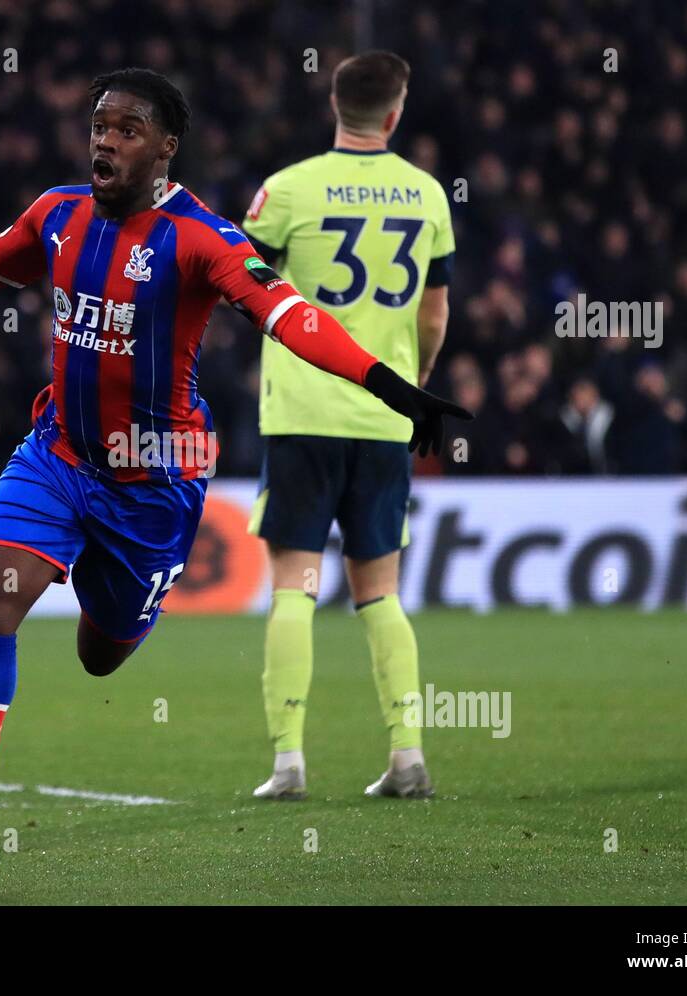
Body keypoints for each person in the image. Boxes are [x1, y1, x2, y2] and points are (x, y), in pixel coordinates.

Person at [0, 67, 469, 887]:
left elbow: (290, 315)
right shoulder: (57, 214)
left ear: (166, 147)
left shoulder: (202, 238)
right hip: (59, 455)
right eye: (99, 125)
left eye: (128, 129)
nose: (106, 140)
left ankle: (128, 608)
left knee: (103, 653)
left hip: (154, 483)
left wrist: (388, 382)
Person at [241, 51, 456, 802]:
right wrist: (418, 382)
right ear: (395, 114)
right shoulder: (427, 195)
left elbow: (242, 287)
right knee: (382, 593)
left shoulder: (287, 190)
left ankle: (289, 764)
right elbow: (434, 312)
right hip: (384, 416)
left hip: (301, 413)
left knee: (294, 588)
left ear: (336, 105)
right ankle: (407, 757)